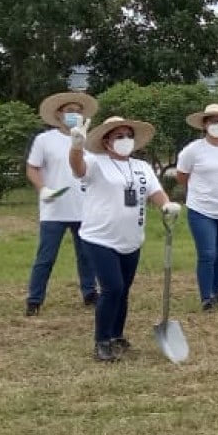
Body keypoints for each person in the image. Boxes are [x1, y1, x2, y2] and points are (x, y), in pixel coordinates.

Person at [66, 115, 181, 363]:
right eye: (119, 136)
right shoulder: (96, 162)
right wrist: (76, 146)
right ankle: (102, 341)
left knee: (123, 290)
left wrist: (166, 205)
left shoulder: (142, 167)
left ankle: (117, 334)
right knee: (112, 288)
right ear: (107, 142)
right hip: (99, 238)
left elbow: (155, 191)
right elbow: (78, 168)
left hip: (131, 239)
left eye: (129, 136)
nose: (125, 140)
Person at [24, 90, 100, 316]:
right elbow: (32, 168)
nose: (74, 115)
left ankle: (89, 293)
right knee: (46, 257)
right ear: (58, 115)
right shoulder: (44, 140)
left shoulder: (87, 139)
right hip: (54, 209)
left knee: (87, 255)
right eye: (69, 111)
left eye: (78, 111)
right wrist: (42, 188)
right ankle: (34, 299)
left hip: (84, 207)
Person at [176, 103, 218, 311]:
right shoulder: (193, 150)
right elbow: (182, 176)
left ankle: (216, 291)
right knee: (207, 253)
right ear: (204, 125)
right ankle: (206, 297)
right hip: (201, 209)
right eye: (213, 121)